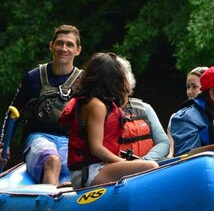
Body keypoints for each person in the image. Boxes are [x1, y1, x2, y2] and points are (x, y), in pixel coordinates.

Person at [0, 24, 83, 185]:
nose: (64, 48)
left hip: (69, 141)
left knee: (75, 172)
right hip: (38, 138)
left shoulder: (84, 82)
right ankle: (50, 206)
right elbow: (13, 112)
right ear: (51, 46)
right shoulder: (33, 78)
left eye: (69, 44)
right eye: (59, 43)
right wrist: (3, 145)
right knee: (52, 161)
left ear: (78, 50)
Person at [58, 52, 158, 186]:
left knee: (145, 165)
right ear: (110, 79)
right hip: (89, 172)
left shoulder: (97, 102)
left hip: (94, 169)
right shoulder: (96, 105)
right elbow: (96, 148)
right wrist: (123, 163)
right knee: (150, 166)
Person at [115, 56, 170, 160]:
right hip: (120, 170)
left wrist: (144, 161)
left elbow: (164, 143)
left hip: (147, 166)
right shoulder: (101, 111)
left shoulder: (145, 108)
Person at [167, 66, 208, 156]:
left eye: (194, 87)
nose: (189, 91)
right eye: (188, 87)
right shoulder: (178, 116)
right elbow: (171, 150)